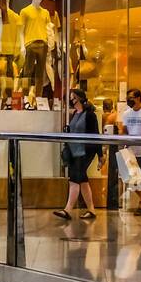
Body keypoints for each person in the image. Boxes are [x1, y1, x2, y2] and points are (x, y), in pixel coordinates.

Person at [54, 88, 100, 221]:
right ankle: (91, 209)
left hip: (85, 151)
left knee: (74, 179)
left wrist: (100, 154)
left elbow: (95, 135)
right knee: (82, 180)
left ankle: (67, 210)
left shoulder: (90, 115)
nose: (71, 100)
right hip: (74, 151)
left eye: (72, 97)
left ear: (79, 98)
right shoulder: (75, 113)